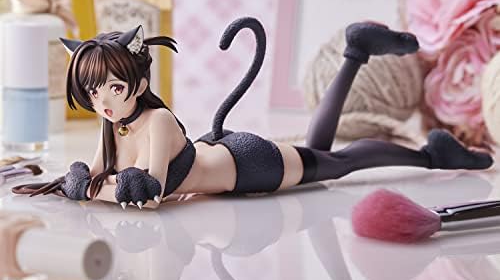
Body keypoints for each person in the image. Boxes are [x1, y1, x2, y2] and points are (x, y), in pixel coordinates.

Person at [13, 17, 493, 208]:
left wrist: (89, 187)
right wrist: (84, 182)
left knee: (337, 163)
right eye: (93, 92)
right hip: (219, 156)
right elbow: (98, 178)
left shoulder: (157, 122)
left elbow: (151, 193)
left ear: (139, 84)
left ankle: (431, 157)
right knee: (320, 152)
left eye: (113, 88)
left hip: (247, 166)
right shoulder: (114, 124)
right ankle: (355, 52)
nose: (103, 101)